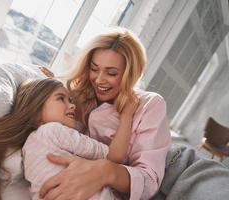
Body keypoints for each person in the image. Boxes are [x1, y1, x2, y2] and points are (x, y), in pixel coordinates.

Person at [39, 27, 171, 200]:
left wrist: (105, 171)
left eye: (111, 73)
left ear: (131, 74)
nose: (99, 80)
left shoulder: (149, 105)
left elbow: (149, 182)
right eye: (94, 69)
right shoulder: (77, 93)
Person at [22, 78, 139, 200]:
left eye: (70, 100)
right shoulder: (53, 131)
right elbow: (114, 156)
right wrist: (127, 115)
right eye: (61, 98)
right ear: (36, 109)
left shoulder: (27, 149)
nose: (72, 105)